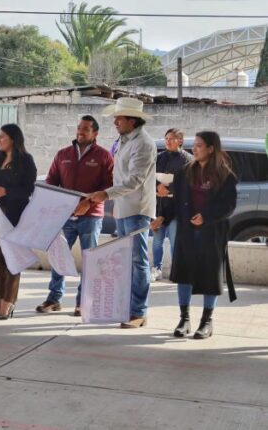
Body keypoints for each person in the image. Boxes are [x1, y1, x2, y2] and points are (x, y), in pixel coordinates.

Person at [151, 131, 237, 339]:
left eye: (199, 145)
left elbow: (228, 206)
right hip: (187, 232)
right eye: (194, 145)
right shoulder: (183, 173)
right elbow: (175, 202)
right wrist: (162, 217)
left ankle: (206, 321)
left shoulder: (225, 176)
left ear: (211, 148)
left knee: (210, 275)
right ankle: (184, 319)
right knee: (184, 274)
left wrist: (206, 216)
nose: (194, 149)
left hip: (212, 233)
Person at [86, 97, 157, 329]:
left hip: (137, 208)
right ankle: (127, 308)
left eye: (119, 117)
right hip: (124, 208)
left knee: (138, 261)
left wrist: (106, 194)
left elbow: (135, 180)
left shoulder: (143, 143)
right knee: (127, 261)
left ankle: (139, 311)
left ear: (132, 120)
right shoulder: (124, 141)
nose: (115, 121)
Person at [35, 115, 113, 316]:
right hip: (65, 216)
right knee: (59, 257)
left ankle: (83, 302)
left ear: (95, 133)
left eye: (86, 129)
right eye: (79, 127)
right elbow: (52, 181)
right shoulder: (63, 154)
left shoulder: (104, 156)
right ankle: (54, 299)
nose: (81, 131)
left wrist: (89, 202)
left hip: (91, 217)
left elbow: (109, 186)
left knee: (90, 261)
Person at [0, 124, 37, 320]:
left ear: (13, 138)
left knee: (12, 259)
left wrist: (6, 191)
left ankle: (8, 303)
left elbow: (28, 190)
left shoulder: (26, 161)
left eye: (2, 136)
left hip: (13, 215)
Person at [152, 128, 193, 281]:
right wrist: (157, 186)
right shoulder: (159, 158)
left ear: (180, 140)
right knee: (157, 241)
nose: (168, 141)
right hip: (158, 205)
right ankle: (156, 268)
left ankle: (177, 271)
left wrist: (169, 189)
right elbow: (148, 176)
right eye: (166, 138)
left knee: (175, 240)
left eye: (172, 138)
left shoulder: (188, 159)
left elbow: (189, 182)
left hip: (177, 207)